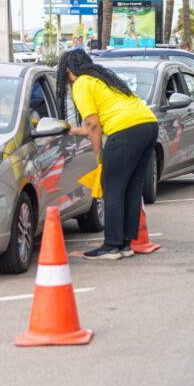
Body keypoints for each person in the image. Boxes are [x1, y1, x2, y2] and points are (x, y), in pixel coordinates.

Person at [56, 49, 159, 260]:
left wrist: (99, 155)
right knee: (131, 187)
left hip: (125, 131)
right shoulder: (101, 80)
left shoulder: (81, 84)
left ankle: (111, 246)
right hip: (148, 125)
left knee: (112, 188)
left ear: (67, 70)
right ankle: (125, 244)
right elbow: (98, 124)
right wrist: (73, 130)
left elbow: (93, 124)